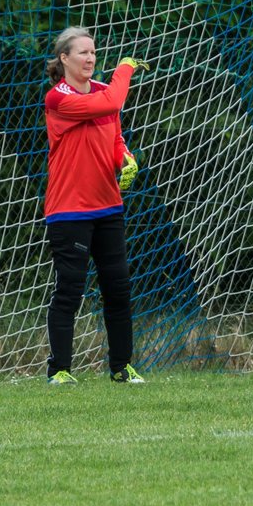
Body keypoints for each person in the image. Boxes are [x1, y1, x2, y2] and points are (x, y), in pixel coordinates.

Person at [42, 26, 150, 386]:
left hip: (108, 208)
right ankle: (59, 371)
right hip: (69, 210)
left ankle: (122, 366)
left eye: (93, 52)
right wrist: (125, 69)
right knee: (70, 291)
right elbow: (111, 103)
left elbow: (114, 134)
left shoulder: (104, 92)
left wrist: (126, 158)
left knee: (117, 288)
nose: (90, 58)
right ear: (64, 59)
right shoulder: (57, 98)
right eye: (82, 53)